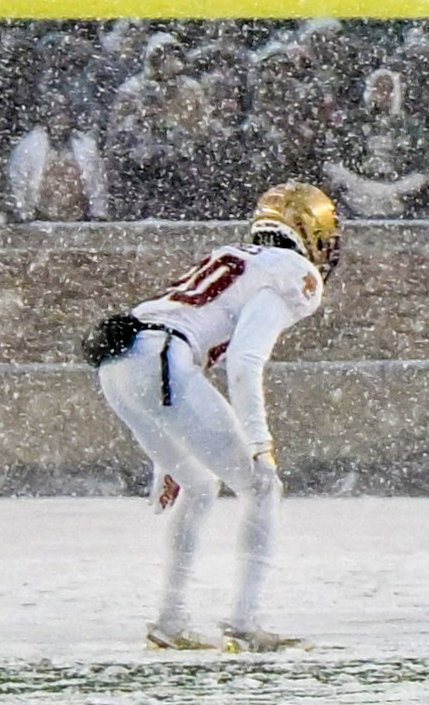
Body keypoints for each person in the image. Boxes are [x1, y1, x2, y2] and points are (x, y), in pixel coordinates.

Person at [88, 183, 338, 652]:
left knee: (199, 485)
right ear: (310, 231)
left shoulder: (233, 255)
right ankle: (244, 625)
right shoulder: (293, 271)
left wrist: (169, 460)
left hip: (120, 359)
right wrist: (260, 444)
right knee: (262, 487)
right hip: (163, 360)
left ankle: (170, 621)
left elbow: (183, 329)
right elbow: (244, 361)